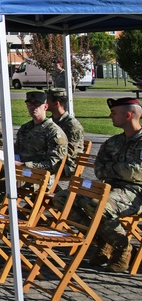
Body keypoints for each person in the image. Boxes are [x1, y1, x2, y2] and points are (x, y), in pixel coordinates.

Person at [80, 97, 142, 272]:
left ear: (128, 115)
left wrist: (111, 168)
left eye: (114, 113)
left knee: (100, 206)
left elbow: (138, 172)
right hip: (109, 187)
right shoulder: (113, 142)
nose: (110, 116)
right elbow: (99, 169)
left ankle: (123, 249)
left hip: (135, 193)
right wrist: (120, 170)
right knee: (65, 198)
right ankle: (104, 242)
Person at [15, 90, 67, 174]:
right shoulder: (25, 128)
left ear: (45, 107)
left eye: (37, 104)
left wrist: (24, 165)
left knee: (1, 184)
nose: (32, 107)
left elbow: (54, 164)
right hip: (21, 172)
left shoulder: (54, 132)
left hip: (39, 176)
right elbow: (16, 151)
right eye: (29, 104)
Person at [46, 87, 85, 178]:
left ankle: (46, 190)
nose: (45, 103)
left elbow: (70, 153)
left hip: (67, 165)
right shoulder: (50, 121)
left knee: (32, 169)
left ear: (56, 103)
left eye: (47, 100)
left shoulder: (72, 125)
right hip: (53, 160)